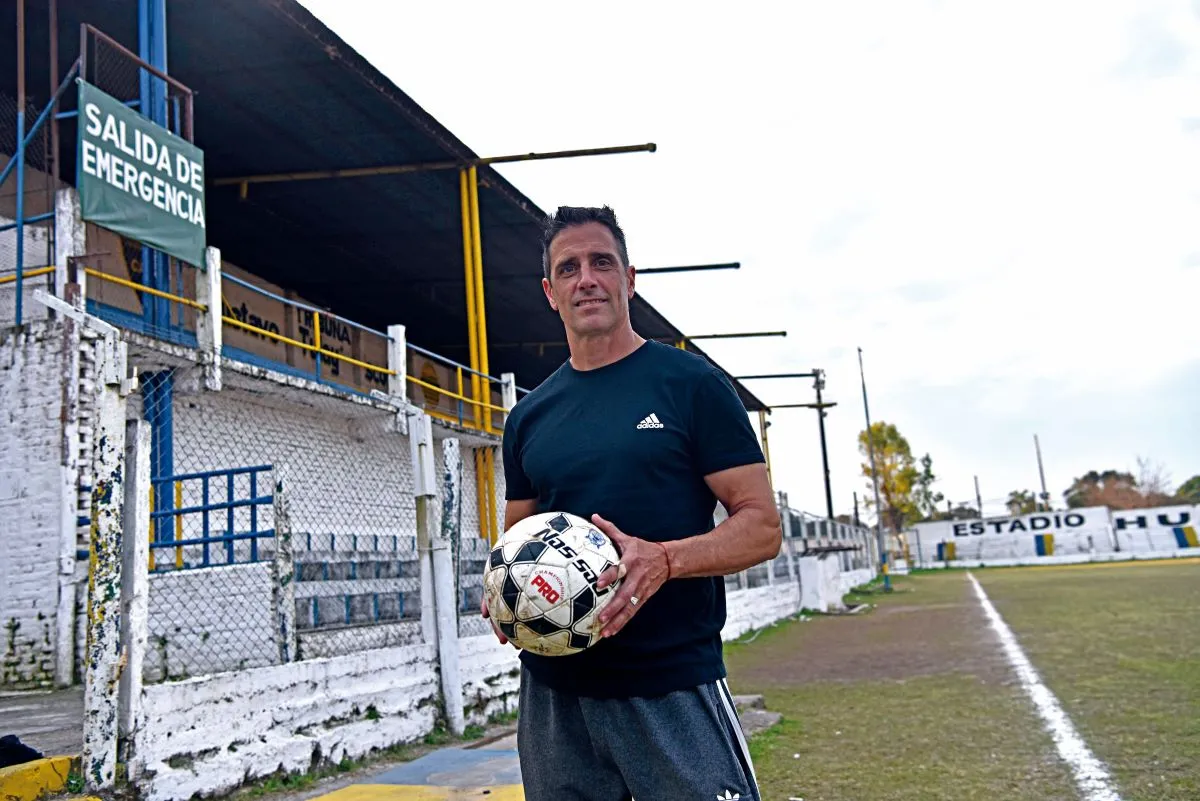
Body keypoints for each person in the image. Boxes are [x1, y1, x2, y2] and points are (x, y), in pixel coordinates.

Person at [482, 205, 782, 801]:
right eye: (569, 268)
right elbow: (517, 536)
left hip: (671, 686)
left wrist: (664, 559)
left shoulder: (692, 385)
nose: (586, 278)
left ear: (629, 279)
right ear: (550, 291)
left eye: (602, 262)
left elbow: (762, 528)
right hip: (555, 701)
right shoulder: (529, 416)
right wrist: (501, 589)